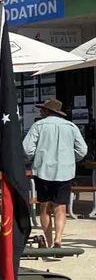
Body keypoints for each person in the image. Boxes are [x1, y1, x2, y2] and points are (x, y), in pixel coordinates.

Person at [23, 98, 88, 248]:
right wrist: (71, 158)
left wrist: (33, 158)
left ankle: (49, 241)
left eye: (42, 109)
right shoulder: (71, 126)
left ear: (47, 111)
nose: (40, 111)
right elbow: (83, 150)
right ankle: (58, 239)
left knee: (44, 206)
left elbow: (26, 149)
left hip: (42, 170)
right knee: (60, 207)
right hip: (65, 171)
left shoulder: (38, 126)